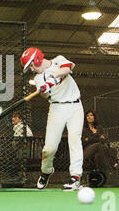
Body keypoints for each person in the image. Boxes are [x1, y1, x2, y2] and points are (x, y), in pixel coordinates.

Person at [21, 47, 84, 191]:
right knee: (50, 148)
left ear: (37, 59)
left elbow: (66, 69)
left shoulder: (58, 60)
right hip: (57, 109)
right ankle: (46, 171)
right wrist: (45, 88)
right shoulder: (38, 78)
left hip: (75, 106)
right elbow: (45, 95)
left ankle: (75, 177)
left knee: (75, 139)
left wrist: (52, 78)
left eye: (31, 65)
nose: (31, 69)